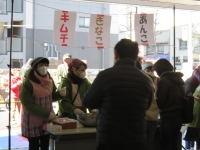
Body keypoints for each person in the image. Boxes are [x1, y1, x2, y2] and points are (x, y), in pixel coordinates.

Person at [82, 39, 154, 150]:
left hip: (110, 139)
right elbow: (147, 106)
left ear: (116, 53)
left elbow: (87, 101)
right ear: (136, 56)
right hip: (137, 140)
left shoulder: (105, 76)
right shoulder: (147, 80)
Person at [20, 57, 66, 150]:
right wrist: (47, 113)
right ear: (35, 67)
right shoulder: (27, 83)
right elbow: (29, 105)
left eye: (45, 65)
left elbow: (51, 97)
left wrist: (60, 94)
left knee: (45, 145)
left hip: (47, 120)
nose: (44, 67)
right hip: (32, 121)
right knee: (34, 146)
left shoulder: (49, 80)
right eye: (41, 65)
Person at [153, 58, 184, 150]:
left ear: (159, 70)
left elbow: (161, 102)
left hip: (167, 117)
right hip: (179, 116)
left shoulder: (164, 81)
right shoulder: (179, 80)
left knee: (165, 145)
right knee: (175, 145)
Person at [143, 63, 159, 150]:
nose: (151, 71)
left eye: (152, 69)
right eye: (148, 69)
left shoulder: (157, 80)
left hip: (150, 118)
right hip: (148, 118)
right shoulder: (145, 80)